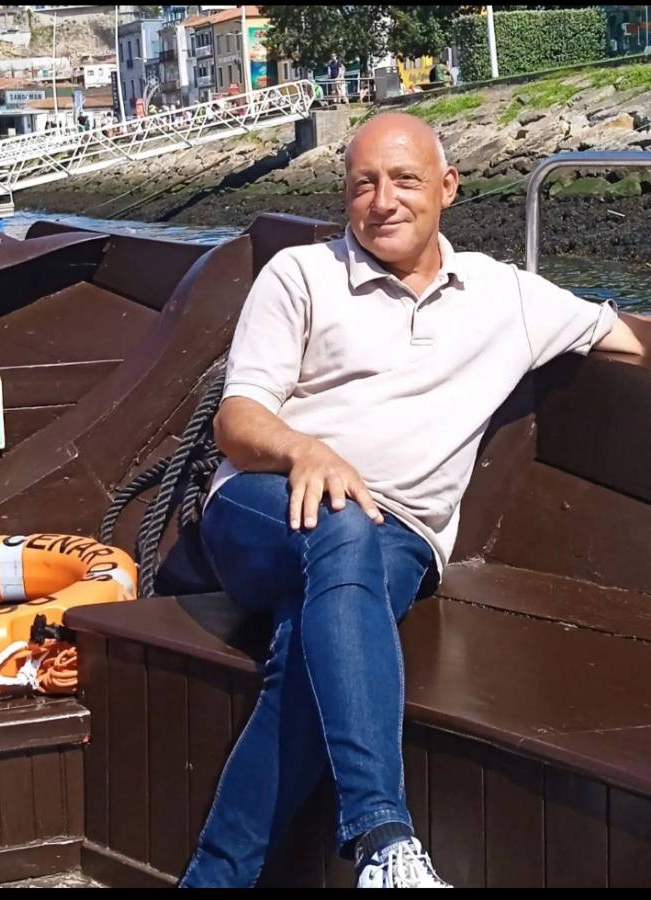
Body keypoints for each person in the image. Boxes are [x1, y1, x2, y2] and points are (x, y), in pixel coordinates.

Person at [179, 112, 646, 890]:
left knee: (309, 650)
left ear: (447, 187)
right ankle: (382, 839)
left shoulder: (505, 296)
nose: (383, 200)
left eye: (403, 180)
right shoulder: (300, 275)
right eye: (363, 183)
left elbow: (621, 336)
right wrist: (306, 450)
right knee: (341, 526)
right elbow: (238, 419)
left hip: (397, 535)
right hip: (266, 509)